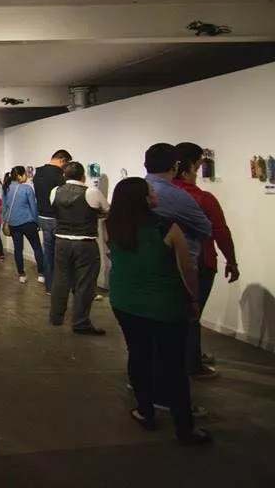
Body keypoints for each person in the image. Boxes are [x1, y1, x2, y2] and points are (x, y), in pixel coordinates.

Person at [106, 177, 211, 445]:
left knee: (139, 355)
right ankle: (184, 427)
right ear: (142, 198)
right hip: (164, 305)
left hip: (126, 302)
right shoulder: (167, 226)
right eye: (151, 191)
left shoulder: (111, 226)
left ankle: (145, 411)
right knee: (173, 365)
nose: (155, 194)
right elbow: (187, 268)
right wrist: (193, 300)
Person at [173, 142, 240, 379]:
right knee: (192, 313)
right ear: (190, 167)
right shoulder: (203, 198)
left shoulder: (159, 195)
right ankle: (191, 363)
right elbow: (220, 231)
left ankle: (185, 356)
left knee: (174, 313)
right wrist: (232, 261)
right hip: (200, 263)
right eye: (199, 165)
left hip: (168, 262)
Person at [49, 161, 110, 335]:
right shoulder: (91, 192)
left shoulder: (55, 191)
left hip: (61, 241)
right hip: (85, 243)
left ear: (64, 176)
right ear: (83, 176)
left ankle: (56, 317)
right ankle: (80, 322)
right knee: (84, 283)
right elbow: (106, 210)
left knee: (60, 280)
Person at [33, 150, 72, 293]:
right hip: (56, 217)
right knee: (63, 253)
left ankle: (50, 286)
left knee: (48, 252)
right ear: (62, 160)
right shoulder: (58, 175)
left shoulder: (38, 173)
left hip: (42, 216)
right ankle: (63, 285)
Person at [2, 165, 45, 283]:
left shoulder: (6, 188)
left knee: (18, 249)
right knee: (37, 248)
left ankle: (21, 275)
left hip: (13, 223)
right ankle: (41, 274)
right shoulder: (27, 188)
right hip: (28, 222)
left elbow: (4, 207)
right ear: (20, 176)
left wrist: (6, 220)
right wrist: (37, 222)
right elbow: (33, 207)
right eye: (25, 174)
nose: (26, 176)